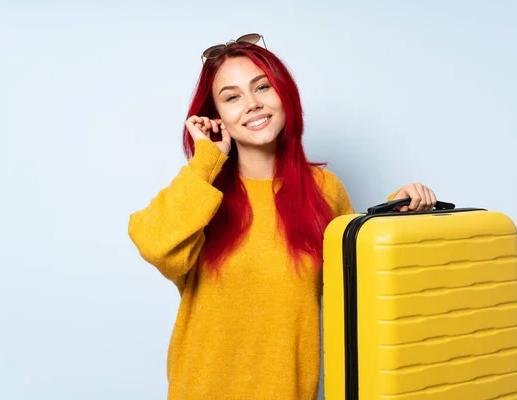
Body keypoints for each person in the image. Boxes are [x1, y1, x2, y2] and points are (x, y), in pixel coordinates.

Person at [128, 33, 438, 400]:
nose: (252, 104)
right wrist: (205, 161)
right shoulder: (201, 194)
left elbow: (358, 288)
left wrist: (397, 216)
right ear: (217, 118)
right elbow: (154, 245)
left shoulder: (325, 189)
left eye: (262, 87)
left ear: (284, 95)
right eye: (232, 97)